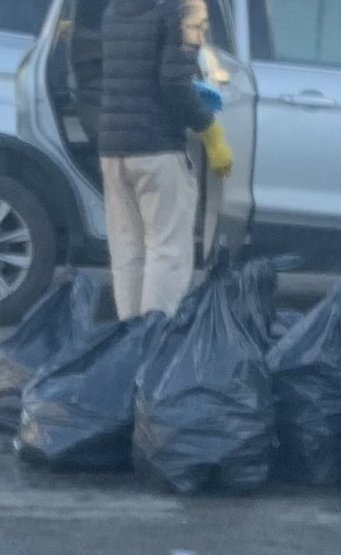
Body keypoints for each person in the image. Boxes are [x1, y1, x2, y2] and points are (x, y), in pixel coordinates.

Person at [97, 0, 233, 320]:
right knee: (167, 250)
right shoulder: (185, 8)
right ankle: (154, 343)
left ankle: (128, 342)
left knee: (127, 252)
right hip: (158, 151)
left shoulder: (116, 8)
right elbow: (174, 83)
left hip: (113, 149)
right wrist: (210, 131)